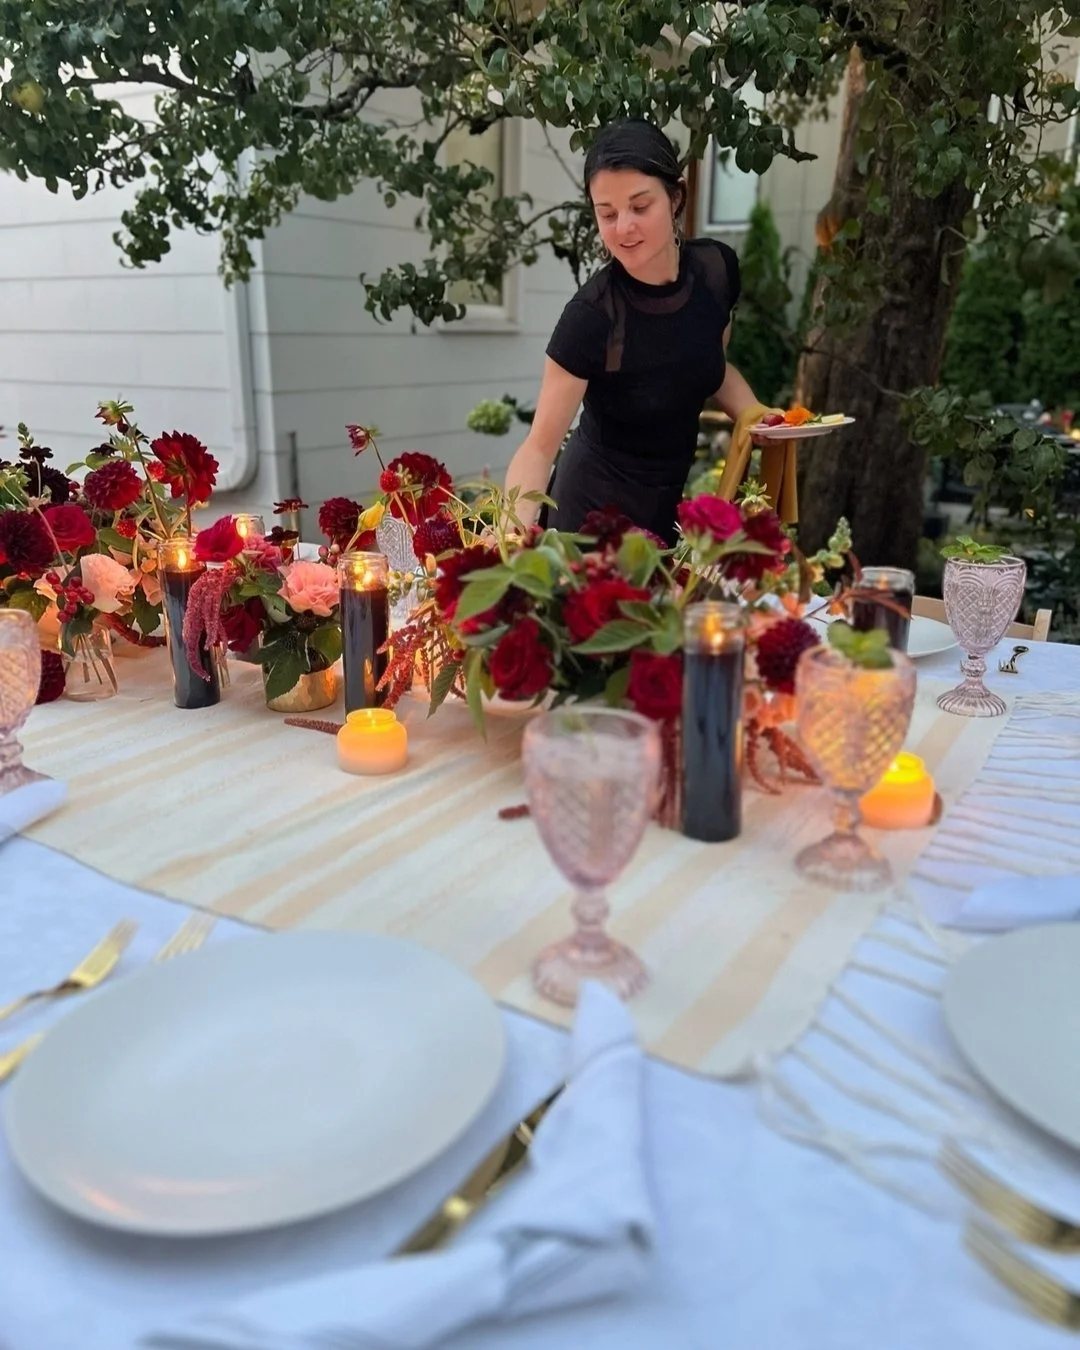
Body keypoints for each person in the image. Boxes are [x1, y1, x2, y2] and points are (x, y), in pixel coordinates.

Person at [503, 118, 789, 546]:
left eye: (640, 207)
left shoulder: (716, 272)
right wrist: (510, 539)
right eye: (607, 213)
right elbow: (539, 448)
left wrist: (754, 414)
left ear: (676, 197)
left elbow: (708, 363)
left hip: (665, 509)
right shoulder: (592, 315)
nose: (623, 227)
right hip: (589, 520)